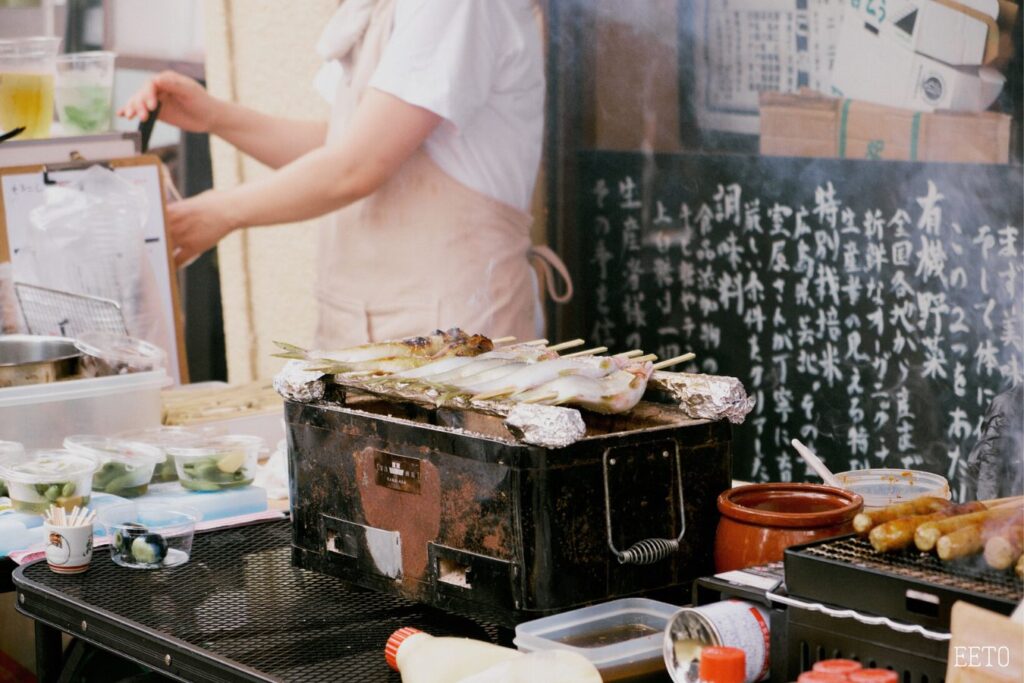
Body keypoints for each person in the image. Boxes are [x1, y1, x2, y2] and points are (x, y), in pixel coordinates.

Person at [120, 0, 571, 349]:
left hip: (457, 333)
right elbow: (343, 149)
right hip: (366, 326)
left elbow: (356, 167)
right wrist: (216, 116)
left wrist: (222, 211)